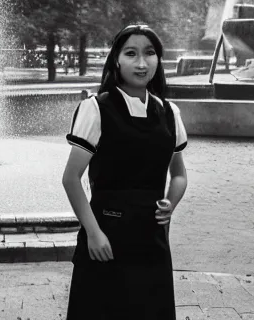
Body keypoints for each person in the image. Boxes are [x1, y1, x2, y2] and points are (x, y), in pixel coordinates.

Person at [62, 24, 188, 320]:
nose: (142, 63)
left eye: (150, 53)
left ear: (159, 60)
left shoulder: (170, 113)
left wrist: (171, 202)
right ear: (116, 60)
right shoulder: (96, 108)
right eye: (131, 53)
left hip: (151, 239)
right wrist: (93, 233)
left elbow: (179, 174)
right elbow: (71, 178)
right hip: (107, 236)